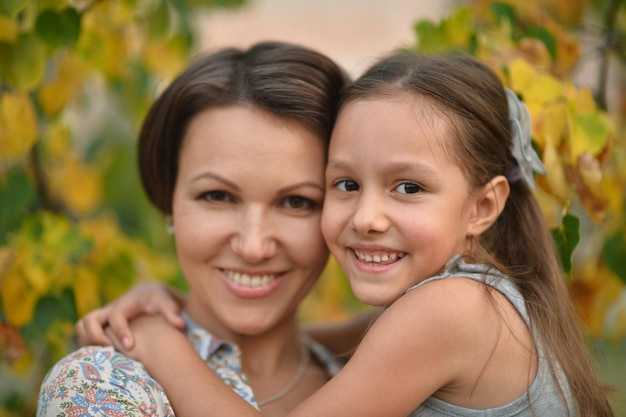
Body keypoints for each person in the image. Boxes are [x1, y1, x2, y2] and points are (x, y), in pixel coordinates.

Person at [74, 51, 614, 417]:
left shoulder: (452, 310)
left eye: (407, 187)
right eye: (347, 183)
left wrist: (158, 341)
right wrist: (171, 305)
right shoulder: (473, 301)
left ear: (483, 205)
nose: (367, 217)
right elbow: (335, 339)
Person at [36, 40, 361, 417]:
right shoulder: (101, 383)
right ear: (169, 198)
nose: (254, 247)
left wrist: (161, 342)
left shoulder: (394, 385)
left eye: (297, 202)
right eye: (218, 196)